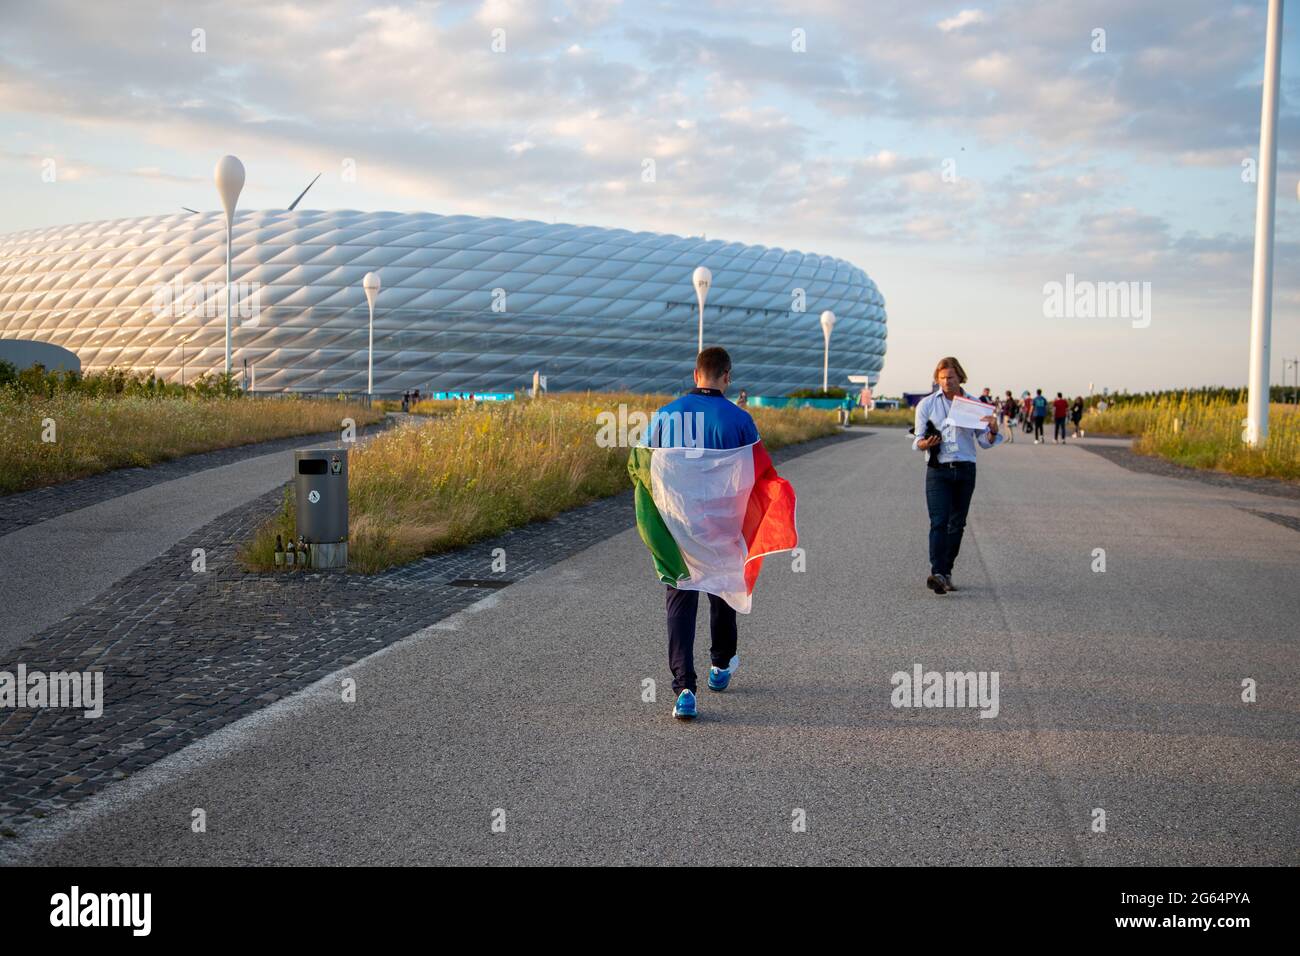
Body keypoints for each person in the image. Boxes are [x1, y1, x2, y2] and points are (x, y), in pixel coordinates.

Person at [649, 347, 759, 720]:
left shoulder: (665, 415)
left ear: (695, 374)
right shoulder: (741, 419)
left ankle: (684, 690)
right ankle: (721, 665)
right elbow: (757, 477)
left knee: (680, 598)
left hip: (679, 524)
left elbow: (645, 471)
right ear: (727, 376)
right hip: (723, 526)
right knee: (723, 589)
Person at [912, 357, 1003, 595]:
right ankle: (938, 573)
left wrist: (993, 430)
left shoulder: (973, 405)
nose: (946, 382)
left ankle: (947, 570)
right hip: (938, 469)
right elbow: (917, 439)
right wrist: (924, 443)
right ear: (937, 379)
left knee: (957, 524)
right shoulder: (927, 405)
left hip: (964, 469)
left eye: (950, 377)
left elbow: (984, 442)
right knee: (939, 522)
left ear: (960, 377)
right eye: (941, 378)